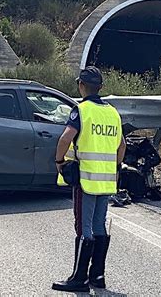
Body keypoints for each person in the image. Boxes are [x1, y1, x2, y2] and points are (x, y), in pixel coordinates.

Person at [52, 66, 126, 292]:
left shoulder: (81, 110)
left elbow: (66, 139)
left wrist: (59, 162)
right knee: (99, 226)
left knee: (84, 228)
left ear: (81, 86)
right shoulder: (112, 112)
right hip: (107, 180)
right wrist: (113, 166)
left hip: (86, 180)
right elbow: (121, 145)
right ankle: (98, 276)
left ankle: (79, 278)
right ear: (101, 88)